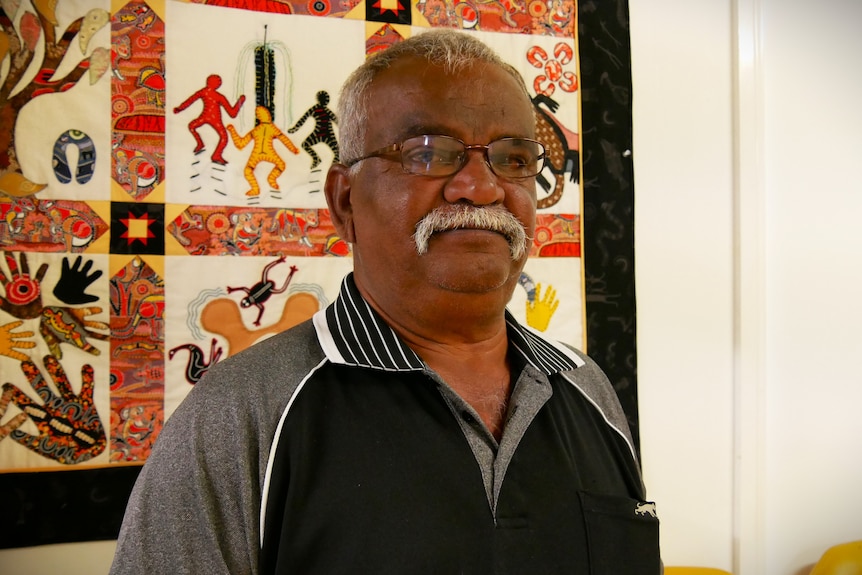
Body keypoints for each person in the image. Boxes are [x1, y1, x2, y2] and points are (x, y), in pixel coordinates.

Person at [111, 29, 660, 574]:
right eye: (428, 153)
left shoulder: (586, 387)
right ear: (344, 200)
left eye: (513, 158)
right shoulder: (242, 412)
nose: (481, 187)